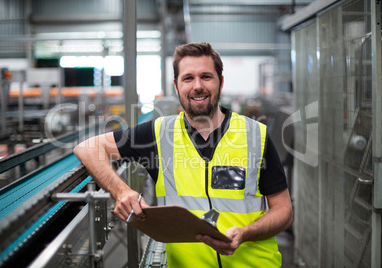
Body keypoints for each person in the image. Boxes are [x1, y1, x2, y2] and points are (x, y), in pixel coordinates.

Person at [74, 42, 293, 267]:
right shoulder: (157, 134)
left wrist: (246, 233)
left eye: (206, 77)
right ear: (176, 87)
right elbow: (87, 148)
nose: (197, 86)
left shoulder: (255, 135)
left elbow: (283, 210)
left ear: (221, 82)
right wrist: (121, 191)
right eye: (188, 78)